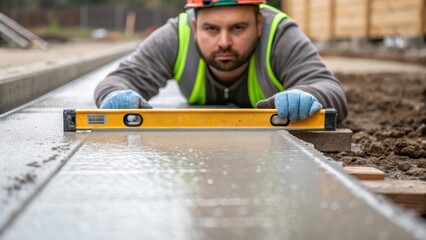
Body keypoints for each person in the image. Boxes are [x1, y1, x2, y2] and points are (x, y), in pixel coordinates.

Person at [94, 0, 348, 123]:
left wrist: (307, 93)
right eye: (211, 29)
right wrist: (115, 94)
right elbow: (120, 79)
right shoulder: (175, 36)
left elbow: (326, 86)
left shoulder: (279, 35)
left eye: (238, 28)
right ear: (194, 27)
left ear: (259, 24)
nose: (224, 42)